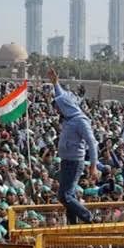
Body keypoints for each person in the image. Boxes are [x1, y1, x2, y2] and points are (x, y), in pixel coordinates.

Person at [47, 68, 97, 224]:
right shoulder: (69, 116)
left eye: (58, 107)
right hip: (66, 160)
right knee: (69, 195)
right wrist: (56, 83)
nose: (56, 109)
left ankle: (89, 218)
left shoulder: (80, 120)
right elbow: (62, 96)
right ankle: (72, 223)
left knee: (64, 196)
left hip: (74, 162)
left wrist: (93, 166)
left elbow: (92, 143)